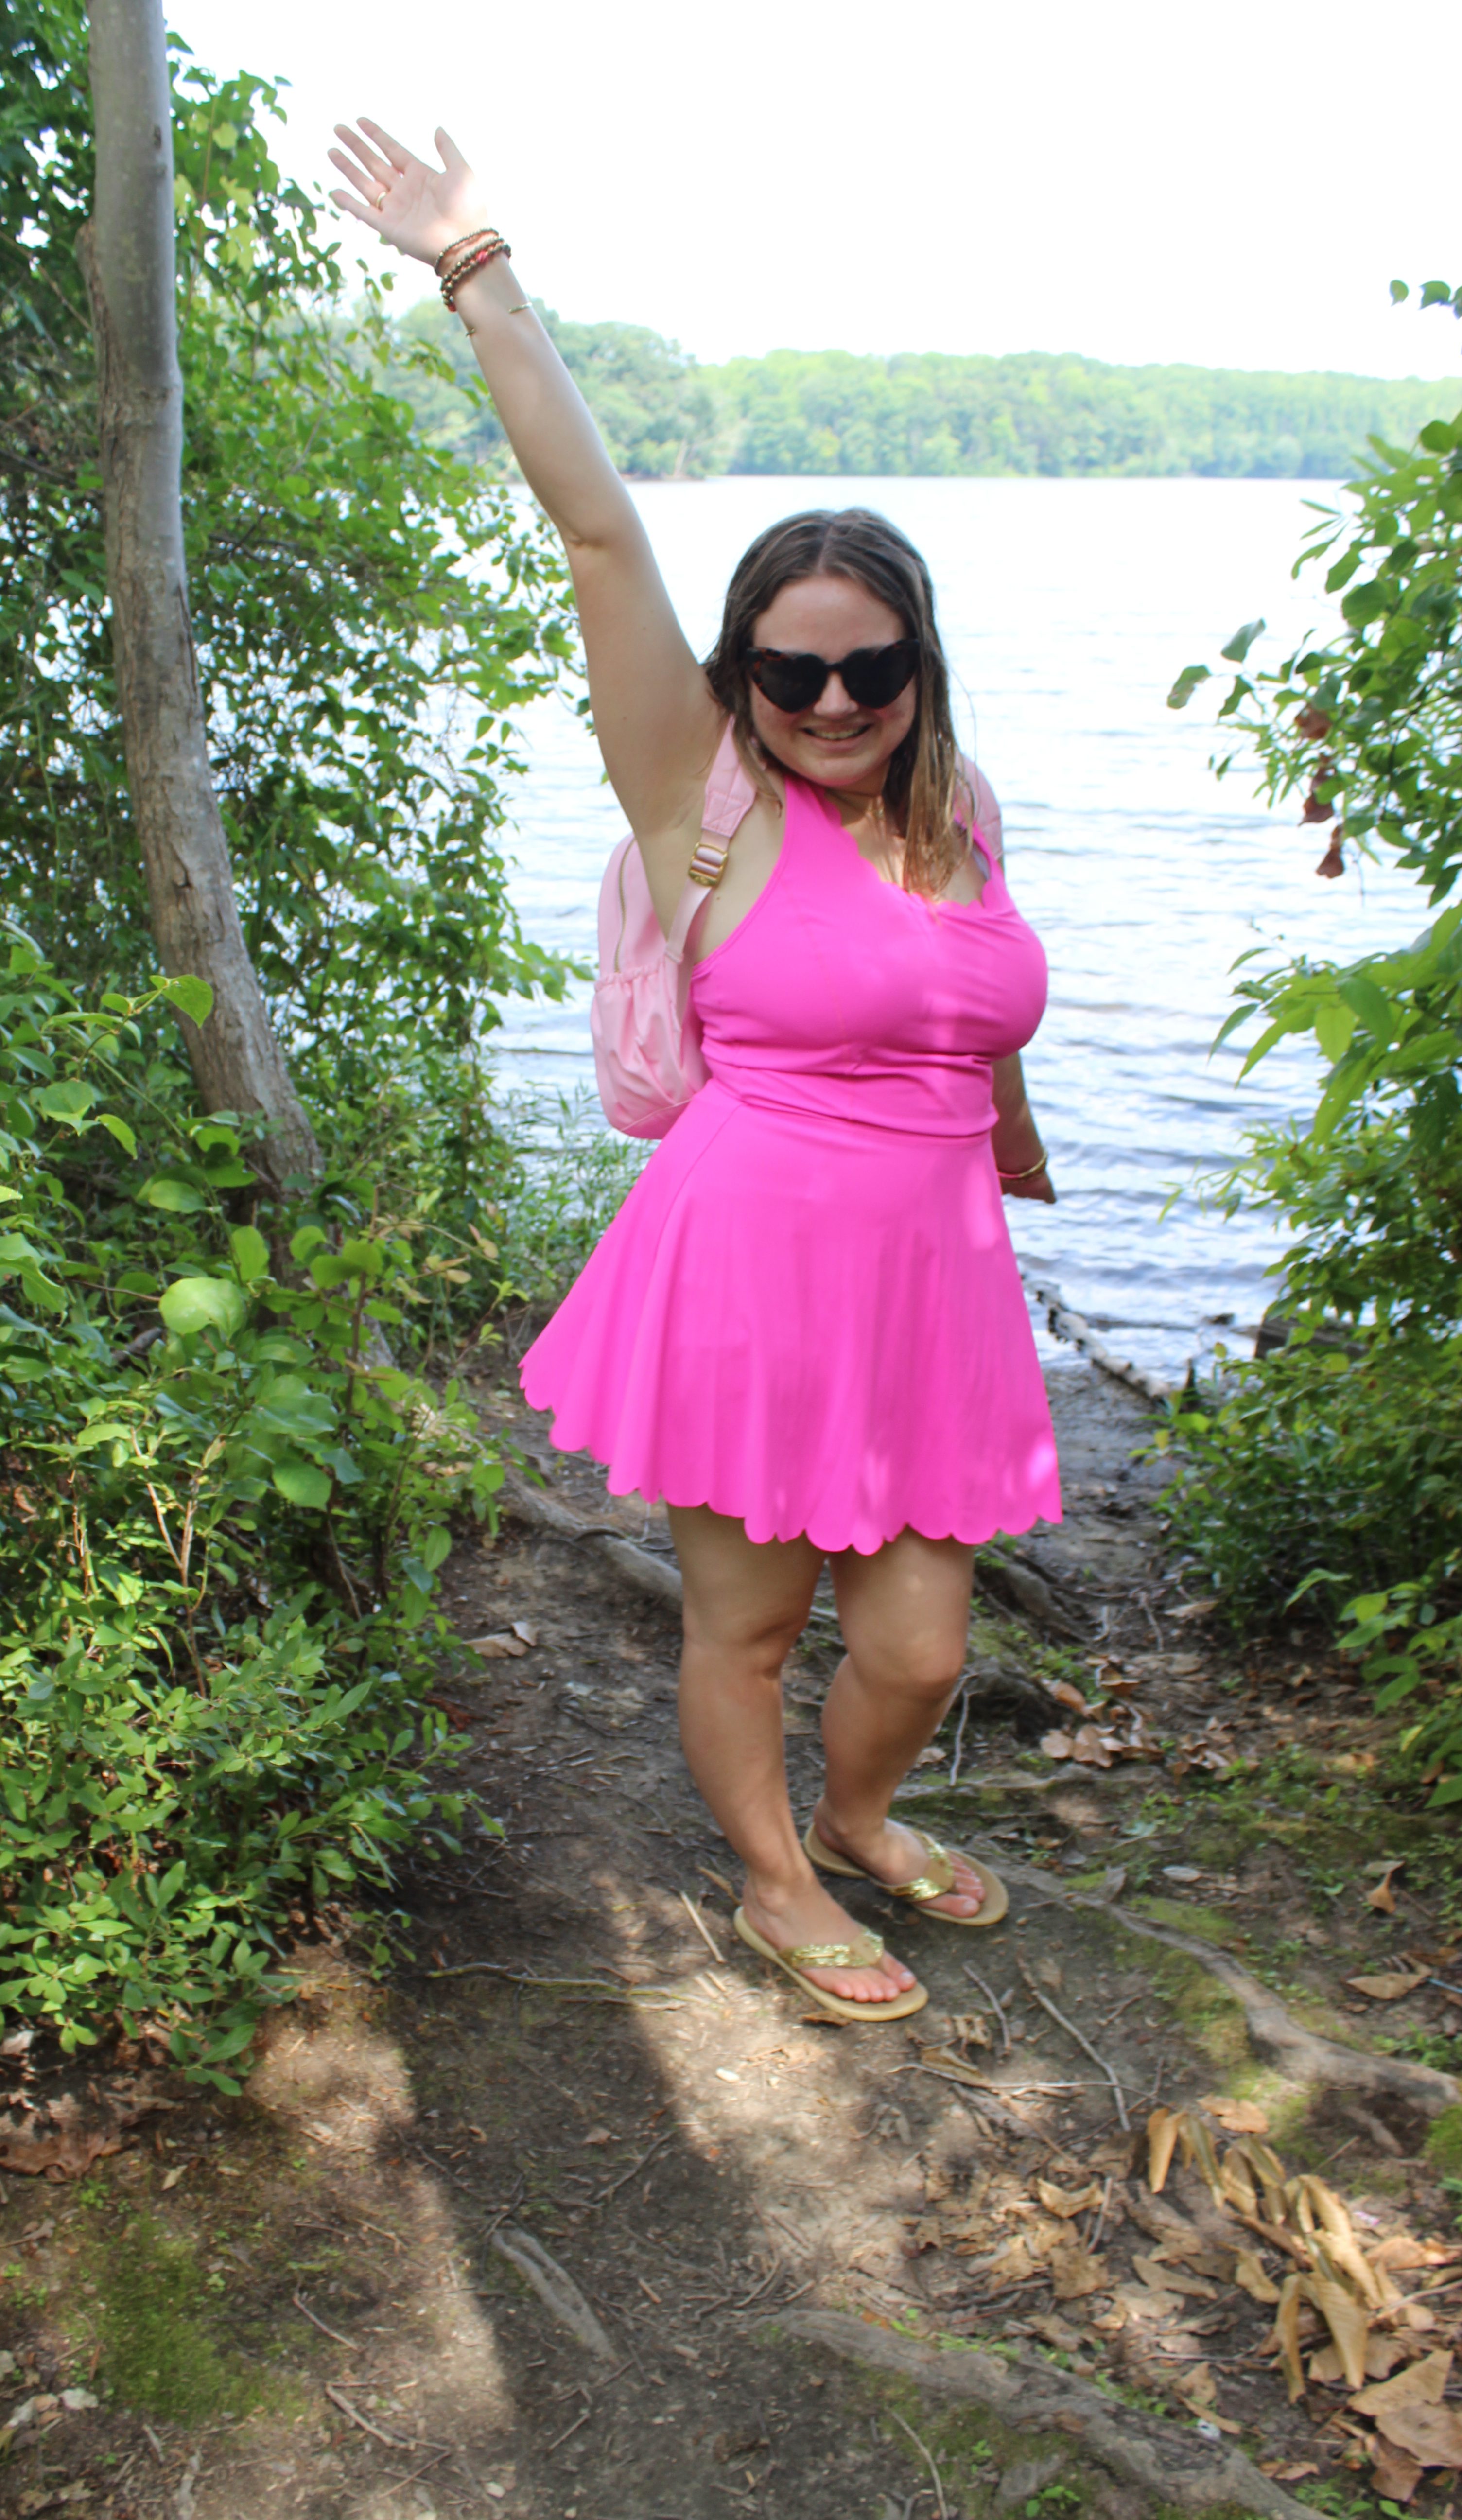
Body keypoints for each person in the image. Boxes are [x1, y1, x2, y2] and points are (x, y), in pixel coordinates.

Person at [330, 119, 1062, 2024]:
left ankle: (858, 1815)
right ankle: (770, 1880)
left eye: (870, 669)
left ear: (919, 665)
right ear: (740, 673)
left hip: (935, 1280)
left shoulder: (964, 808)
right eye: (789, 672)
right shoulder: (697, 799)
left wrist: (1013, 1140)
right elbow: (601, 531)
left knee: (918, 1645)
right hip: (749, 1266)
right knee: (747, 1628)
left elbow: (965, 1013)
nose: (831, 704)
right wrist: (475, 266)